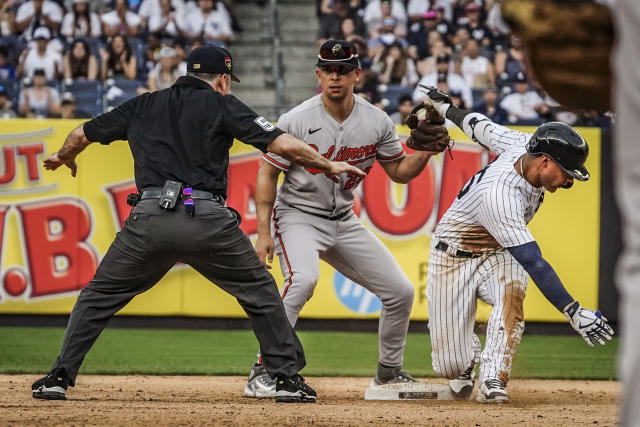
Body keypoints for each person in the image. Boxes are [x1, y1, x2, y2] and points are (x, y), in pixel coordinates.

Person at [32, 44, 365, 403]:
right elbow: (282, 144)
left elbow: (81, 133)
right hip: (205, 216)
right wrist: (328, 165)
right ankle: (285, 378)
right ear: (222, 80)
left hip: (149, 218)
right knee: (261, 293)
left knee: (98, 296)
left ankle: (58, 376)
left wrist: (63, 156)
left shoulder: (143, 104)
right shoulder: (223, 104)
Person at [243, 39, 446, 398]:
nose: (335, 77)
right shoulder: (296, 119)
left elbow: (399, 171)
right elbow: (266, 174)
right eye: (328, 70)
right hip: (298, 216)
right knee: (302, 280)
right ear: (318, 74)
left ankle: (388, 373)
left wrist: (426, 151)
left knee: (400, 292)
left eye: (343, 70)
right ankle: (264, 369)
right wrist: (263, 232)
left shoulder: (376, 120)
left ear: (357, 74)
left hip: (344, 219)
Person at [417, 85, 614, 403]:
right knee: (449, 364)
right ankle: (466, 362)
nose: (569, 181)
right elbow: (535, 261)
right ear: (547, 162)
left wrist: (444, 108)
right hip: (453, 255)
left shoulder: (524, 143)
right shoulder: (501, 195)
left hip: (496, 251)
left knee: (512, 290)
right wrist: (574, 313)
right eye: (568, 174)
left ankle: (493, 378)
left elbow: (478, 125)